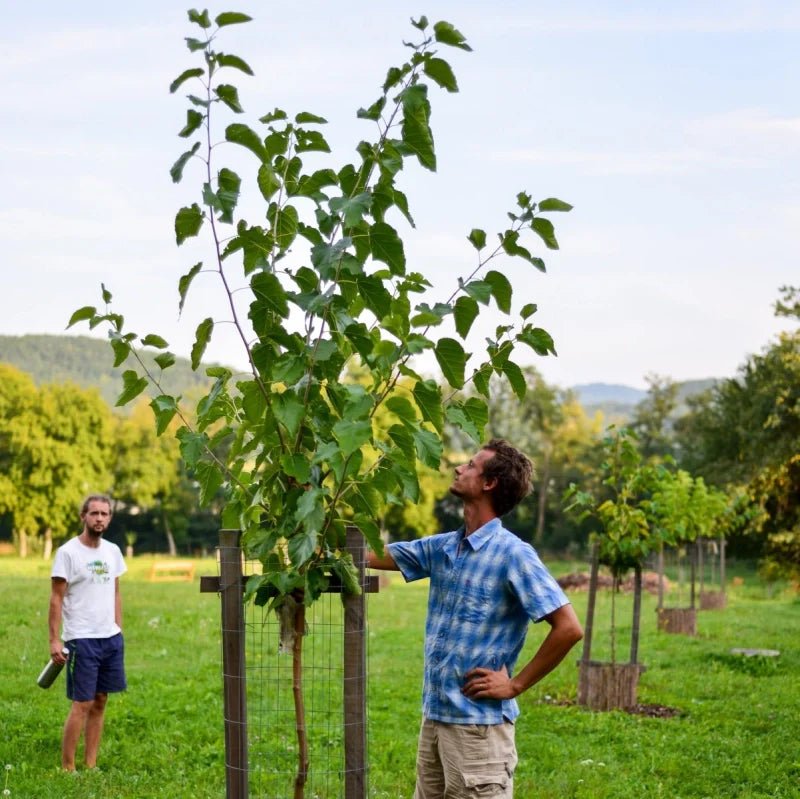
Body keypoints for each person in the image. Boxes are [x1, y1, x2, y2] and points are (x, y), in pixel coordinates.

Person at [368, 439, 583, 798]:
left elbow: (569, 628)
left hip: (478, 732)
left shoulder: (513, 554)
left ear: (489, 483)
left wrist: (515, 686)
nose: (458, 468)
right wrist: (317, 528)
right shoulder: (444, 547)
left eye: (470, 464)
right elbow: (372, 554)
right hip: (434, 721)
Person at [48, 494, 127, 772]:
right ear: (83, 516)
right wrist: (55, 639)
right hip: (81, 639)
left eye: (104, 514)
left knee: (101, 700)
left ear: (109, 518)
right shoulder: (68, 553)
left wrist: (118, 628)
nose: (99, 518)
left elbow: (115, 592)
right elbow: (56, 598)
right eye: (94, 513)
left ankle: (90, 764)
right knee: (82, 702)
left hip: (110, 638)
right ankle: (68, 767)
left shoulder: (113, 551)